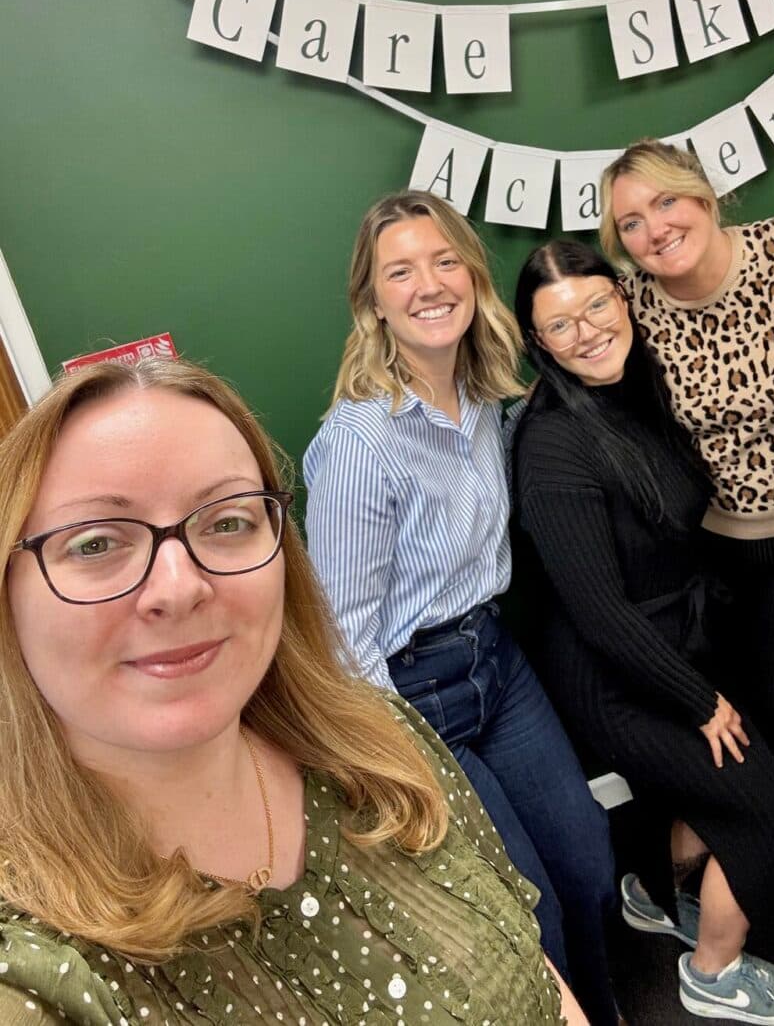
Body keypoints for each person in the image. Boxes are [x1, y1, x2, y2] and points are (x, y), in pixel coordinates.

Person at [0, 357, 585, 1026]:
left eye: (226, 522)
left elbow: (522, 954)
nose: (179, 587)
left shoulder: (377, 741)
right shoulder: (38, 966)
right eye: (98, 541)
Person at [303, 190, 619, 1026]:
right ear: (373, 301)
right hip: (411, 692)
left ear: (473, 277)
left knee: (588, 862)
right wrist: (397, 764)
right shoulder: (360, 445)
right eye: (399, 271)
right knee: (526, 903)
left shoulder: (486, 398)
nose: (429, 284)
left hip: (494, 663)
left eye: (445, 261)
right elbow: (341, 640)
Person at [510, 238, 774, 1024]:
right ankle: (712, 973)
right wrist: (700, 701)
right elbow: (600, 613)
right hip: (613, 675)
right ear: (537, 342)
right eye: (560, 325)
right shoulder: (553, 442)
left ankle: (649, 890)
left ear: (623, 300)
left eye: (596, 306)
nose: (585, 331)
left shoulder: (640, 389)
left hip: (676, 643)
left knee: (756, 772)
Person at [599, 140, 774, 872]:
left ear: (703, 195)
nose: (653, 230)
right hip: (708, 540)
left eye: (664, 202)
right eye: (630, 222)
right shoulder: (629, 303)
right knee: (754, 687)